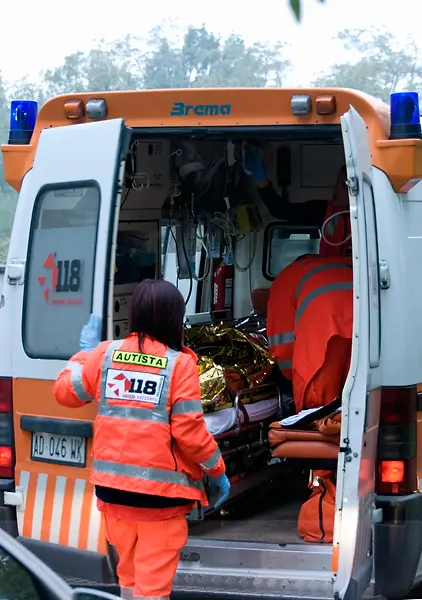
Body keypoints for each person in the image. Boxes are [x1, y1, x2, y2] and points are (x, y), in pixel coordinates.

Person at [53, 279, 230, 600]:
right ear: (174, 320)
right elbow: (189, 432)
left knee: (130, 582)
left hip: (114, 497)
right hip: (159, 501)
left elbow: (65, 392)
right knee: (151, 590)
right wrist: (217, 469)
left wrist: (84, 355)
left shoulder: (106, 355)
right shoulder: (179, 365)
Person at [266, 253, 353, 414]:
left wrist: (290, 377)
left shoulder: (286, 278)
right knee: (357, 397)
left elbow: (282, 343)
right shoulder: (344, 263)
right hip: (364, 325)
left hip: (326, 333)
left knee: (319, 410)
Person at [243, 146, 351, 257]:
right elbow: (280, 210)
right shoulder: (326, 211)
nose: (335, 188)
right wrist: (261, 180)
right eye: (337, 182)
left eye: (342, 185)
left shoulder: (369, 222)